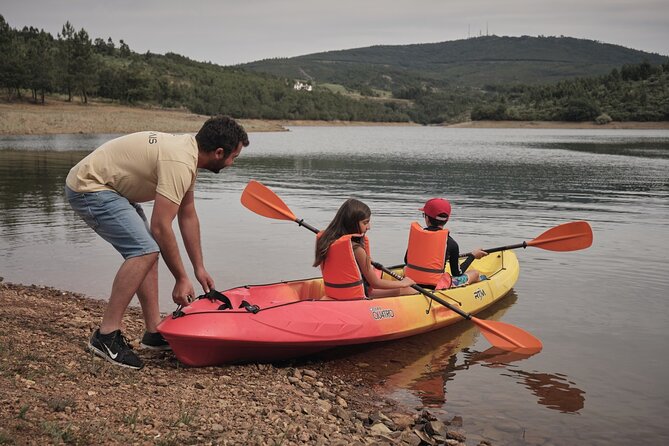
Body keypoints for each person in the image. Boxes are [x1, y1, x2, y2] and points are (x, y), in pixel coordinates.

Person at [65, 115, 249, 369]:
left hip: (113, 190)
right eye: (234, 157)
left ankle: (153, 332)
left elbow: (188, 215)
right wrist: (181, 278)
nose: (232, 163)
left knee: (147, 249)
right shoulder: (180, 161)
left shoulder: (188, 155)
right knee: (144, 250)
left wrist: (198, 268)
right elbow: (161, 226)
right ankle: (106, 335)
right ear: (219, 153)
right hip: (90, 187)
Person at [314, 198, 416, 299]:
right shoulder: (357, 249)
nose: (369, 227)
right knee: (408, 290)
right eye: (365, 222)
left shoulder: (327, 241)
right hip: (358, 296)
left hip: (336, 294)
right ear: (352, 223)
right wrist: (403, 283)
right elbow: (375, 283)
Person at [404, 198, 488, 289]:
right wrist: (472, 256)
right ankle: (478, 280)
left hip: (412, 282)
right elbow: (457, 273)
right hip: (436, 286)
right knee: (474, 273)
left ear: (427, 218)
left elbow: (407, 260)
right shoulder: (451, 243)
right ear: (446, 220)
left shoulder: (417, 237)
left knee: (405, 268)